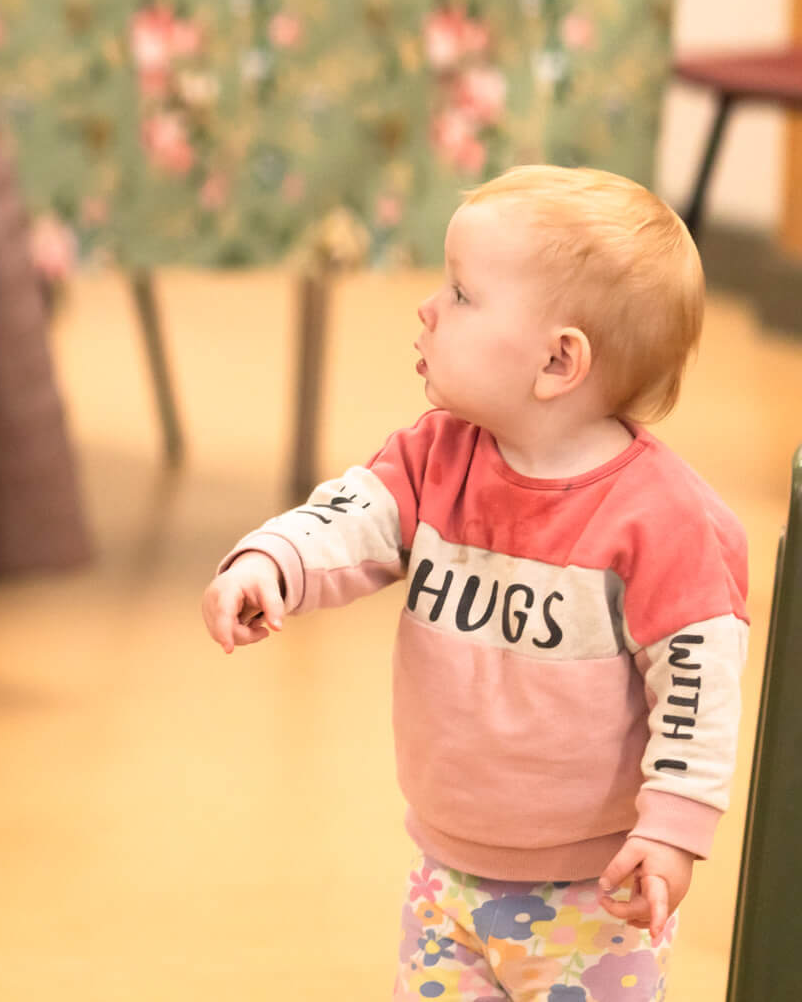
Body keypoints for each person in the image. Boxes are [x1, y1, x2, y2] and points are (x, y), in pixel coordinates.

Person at [200, 166, 747, 1002]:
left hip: (595, 897)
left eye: (461, 294)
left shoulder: (664, 524)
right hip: (447, 875)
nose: (427, 308)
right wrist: (272, 561)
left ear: (558, 360)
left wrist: (674, 829)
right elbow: (350, 515)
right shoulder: (434, 458)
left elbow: (697, 691)